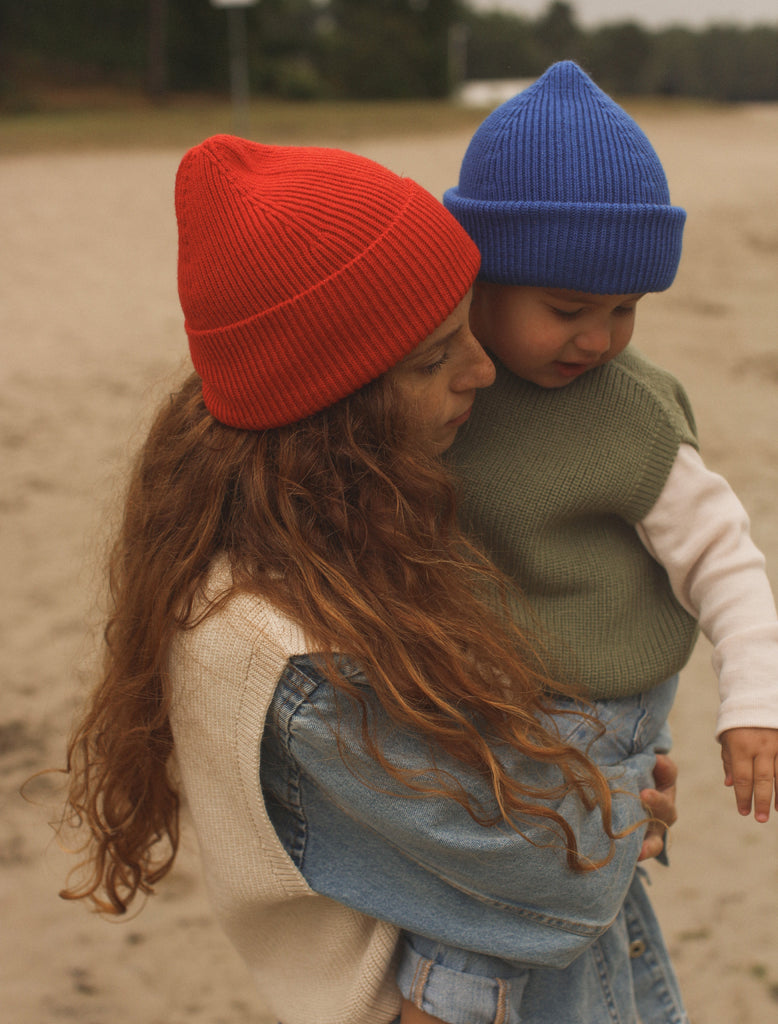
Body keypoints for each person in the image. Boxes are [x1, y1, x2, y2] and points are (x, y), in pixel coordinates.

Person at [59, 135, 680, 1024]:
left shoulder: (367, 515)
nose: (483, 371)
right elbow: (563, 867)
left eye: (469, 326)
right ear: (328, 410)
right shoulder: (277, 645)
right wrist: (625, 794)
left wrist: (614, 801)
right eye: (433, 359)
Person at [394, 60, 778, 1023]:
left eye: (627, 311)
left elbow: (725, 558)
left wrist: (754, 702)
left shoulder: (633, 416)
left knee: (498, 886)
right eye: (568, 309)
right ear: (478, 273)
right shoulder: (442, 387)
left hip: (592, 706)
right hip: (490, 696)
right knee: (585, 906)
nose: (600, 339)